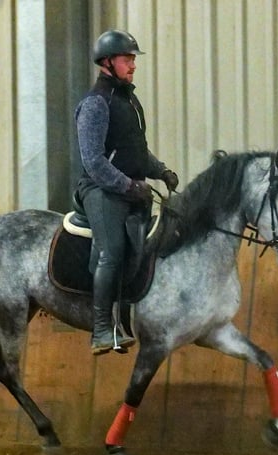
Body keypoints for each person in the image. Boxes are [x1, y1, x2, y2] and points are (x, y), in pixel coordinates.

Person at [73, 29, 179, 355]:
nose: (133, 65)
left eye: (133, 59)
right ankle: (102, 329)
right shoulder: (95, 104)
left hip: (131, 190)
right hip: (100, 190)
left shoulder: (128, 100)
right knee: (113, 250)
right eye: (127, 59)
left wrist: (160, 170)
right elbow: (94, 161)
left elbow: (135, 151)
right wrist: (129, 185)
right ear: (107, 62)